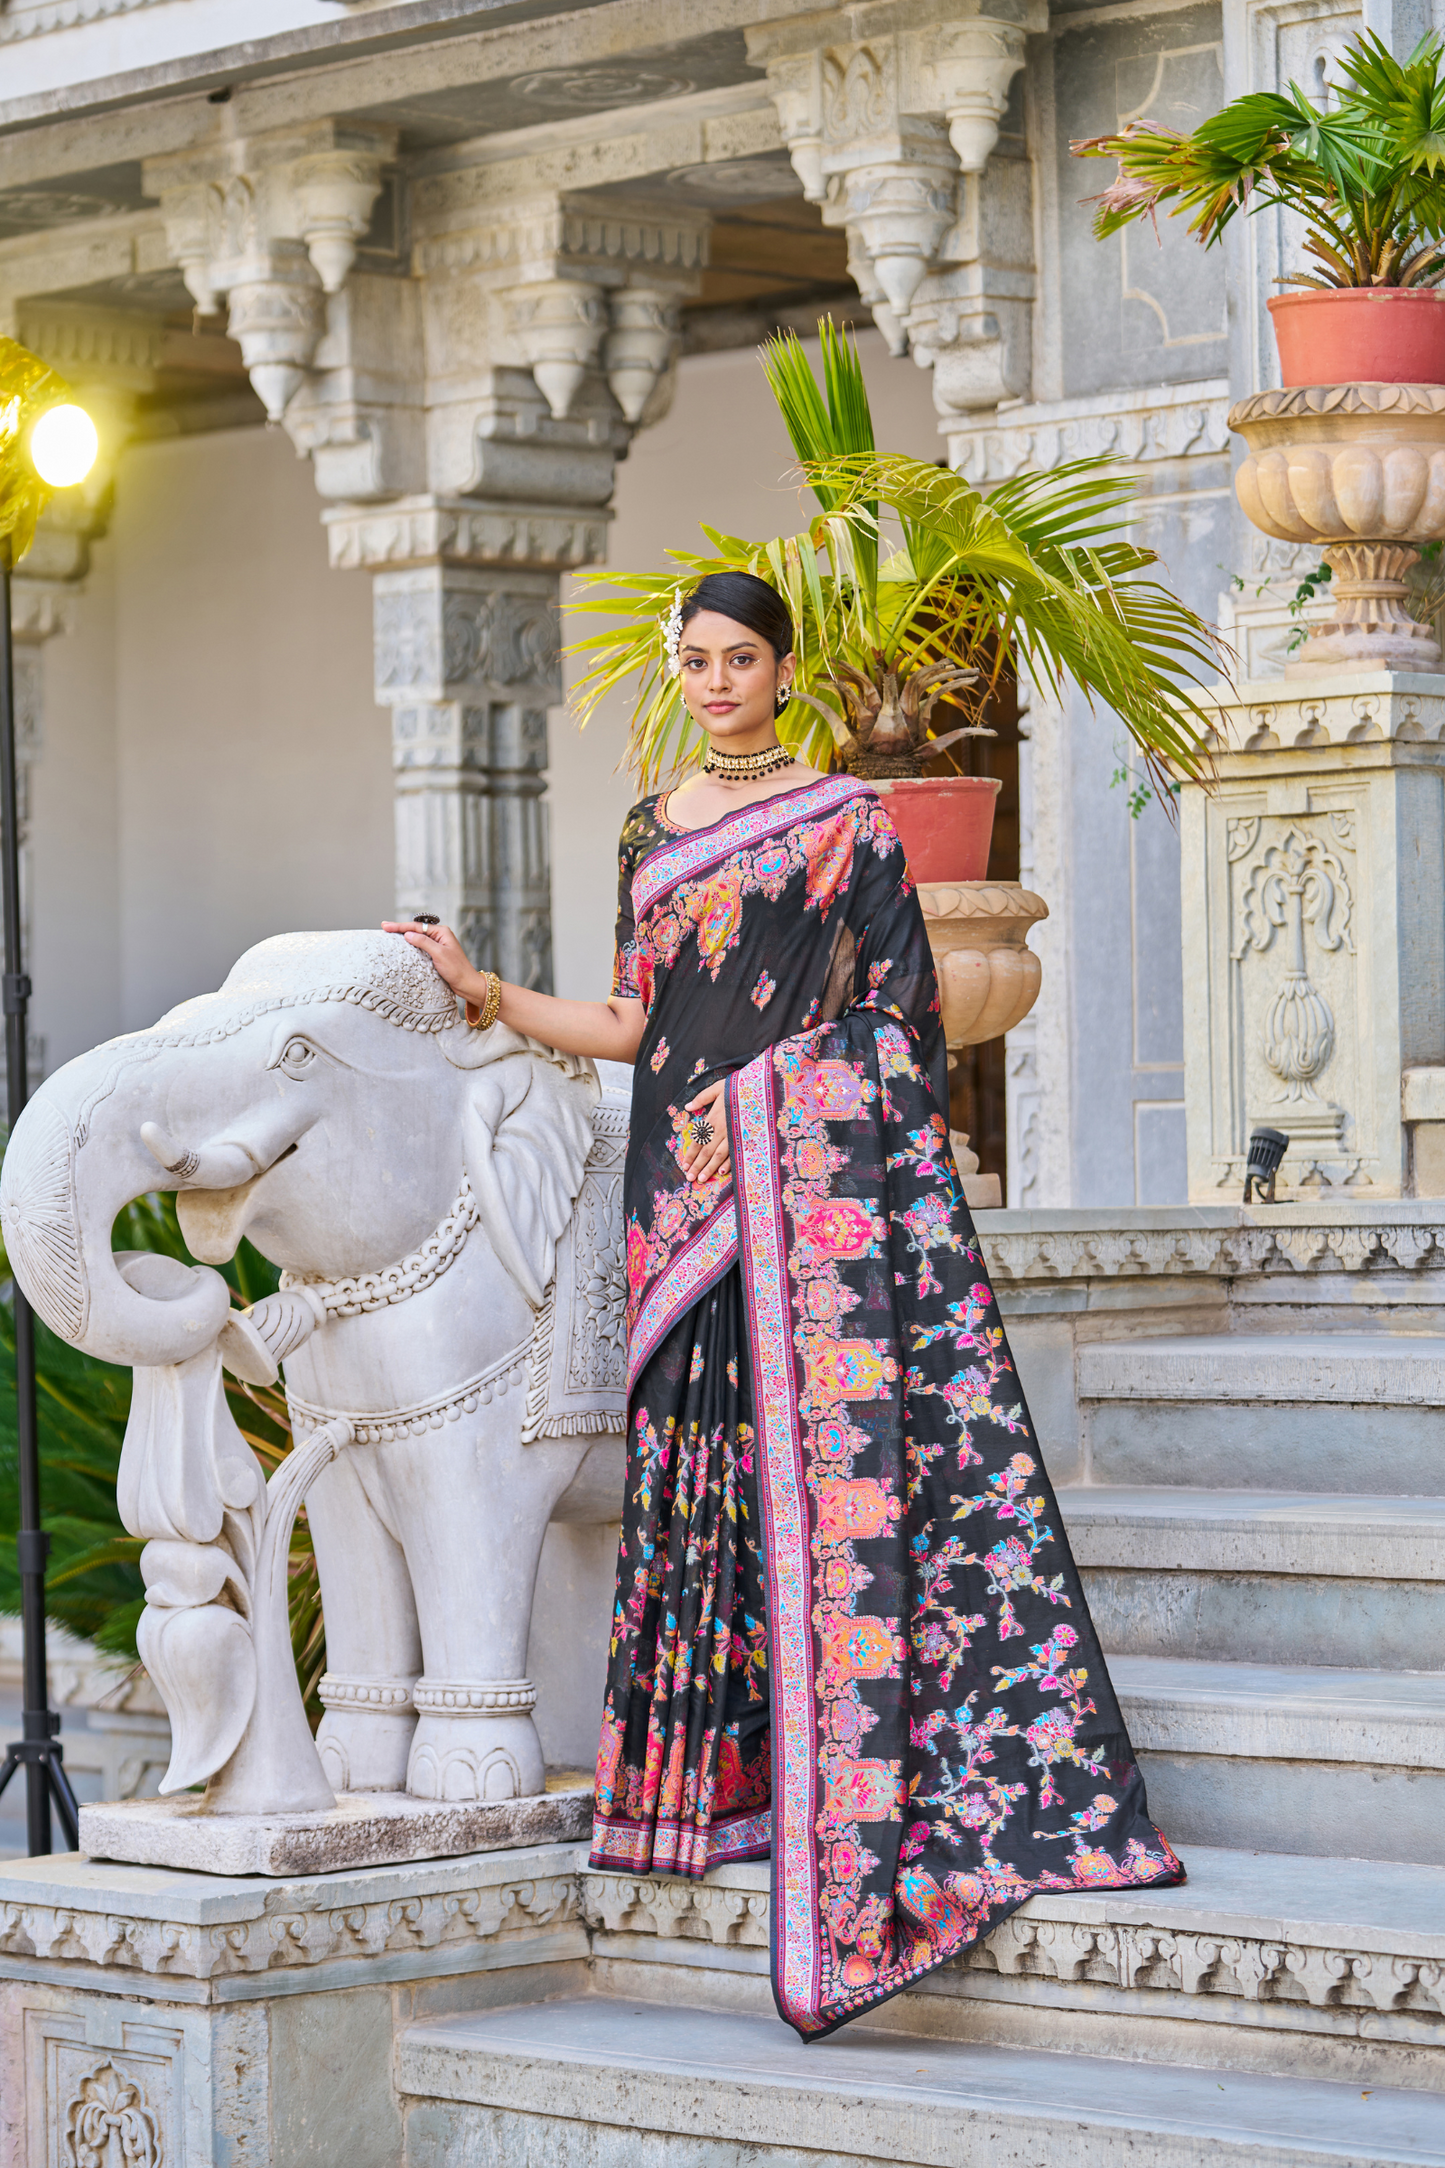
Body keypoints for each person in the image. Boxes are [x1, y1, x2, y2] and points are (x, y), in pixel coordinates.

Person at [385, 568, 1182, 2042]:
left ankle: (851, 1780)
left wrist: (776, 1105)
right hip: (679, 1207)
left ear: (785, 666)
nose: (713, 681)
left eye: (738, 658)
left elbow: (901, 1028)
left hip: (794, 1203)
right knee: (693, 1483)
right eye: (693, 660)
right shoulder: (649, 828)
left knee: (817, 1486)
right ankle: (701, 1788)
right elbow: (632, 1022)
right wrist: (487, 989)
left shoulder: (843, 827)